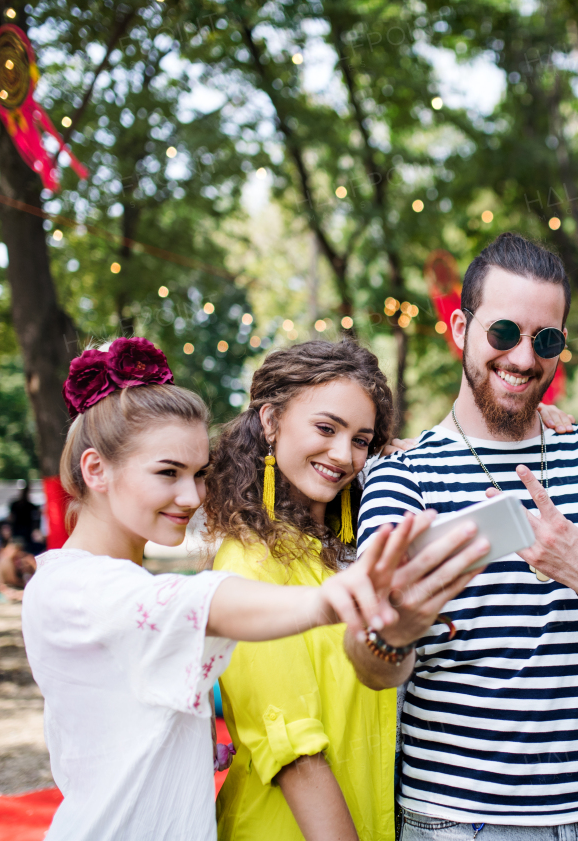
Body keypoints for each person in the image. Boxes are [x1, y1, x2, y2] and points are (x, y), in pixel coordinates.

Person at [349, 233, 578, 840]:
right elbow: (373, 665)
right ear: (460, 330)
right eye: (504, 333)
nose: (525, 359)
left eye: (546, 339)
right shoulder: (403, 473)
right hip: (458, 821)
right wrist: (396, 628)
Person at [22, 337, 413, 841]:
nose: (192, 496)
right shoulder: (75, 588)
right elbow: (207, 602)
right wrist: (331, 600)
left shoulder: (127, 583)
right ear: (95, 469)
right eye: (168, 473)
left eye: (200, 474)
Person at [203, 340, 486, 841]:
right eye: (326, 428)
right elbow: (296, 756)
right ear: (270, 421)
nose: (343, 454)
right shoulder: (248, 563)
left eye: (361, 439)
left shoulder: (346, 551)